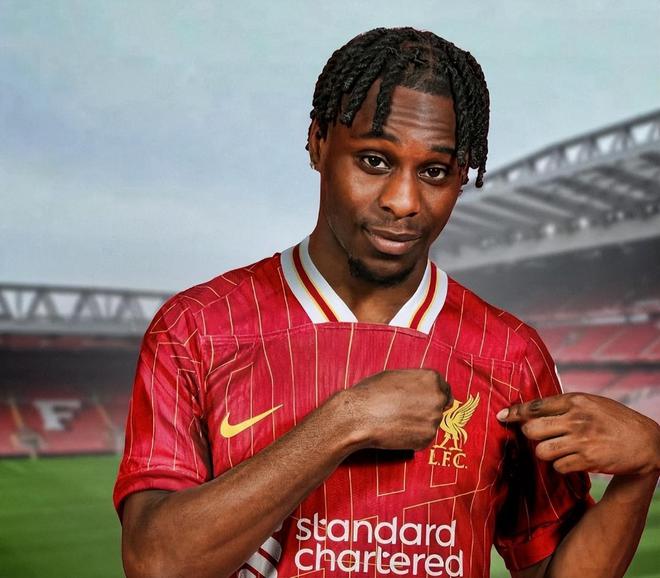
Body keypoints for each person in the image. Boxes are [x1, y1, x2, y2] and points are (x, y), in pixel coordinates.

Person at [114, 27, 660, 578]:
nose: (403, 201)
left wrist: (640, 474)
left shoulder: (510, 354)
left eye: (434, 172)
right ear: (318, 142)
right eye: (374, 160)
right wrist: (345, 422)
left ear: (462, 176)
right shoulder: (197, 328)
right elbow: (156, 563)